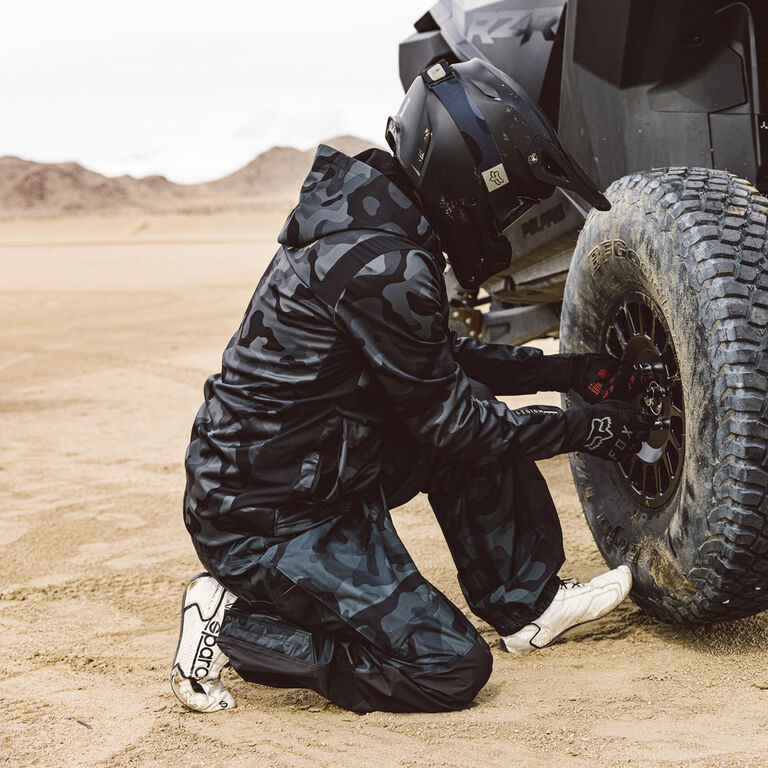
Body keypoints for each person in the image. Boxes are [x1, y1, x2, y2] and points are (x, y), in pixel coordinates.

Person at [170, 58, 652, 715]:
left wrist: (565, 372)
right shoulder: (384, 265)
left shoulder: (372, 232)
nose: (504, 221)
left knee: (467, 427)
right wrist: (591, 429)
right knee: (448, 670)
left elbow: (436, 362)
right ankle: (233, 623)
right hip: (269, 518)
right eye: (505, 201)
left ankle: (527, 606)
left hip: (314, 471)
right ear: (465, 177)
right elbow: (457, 423)